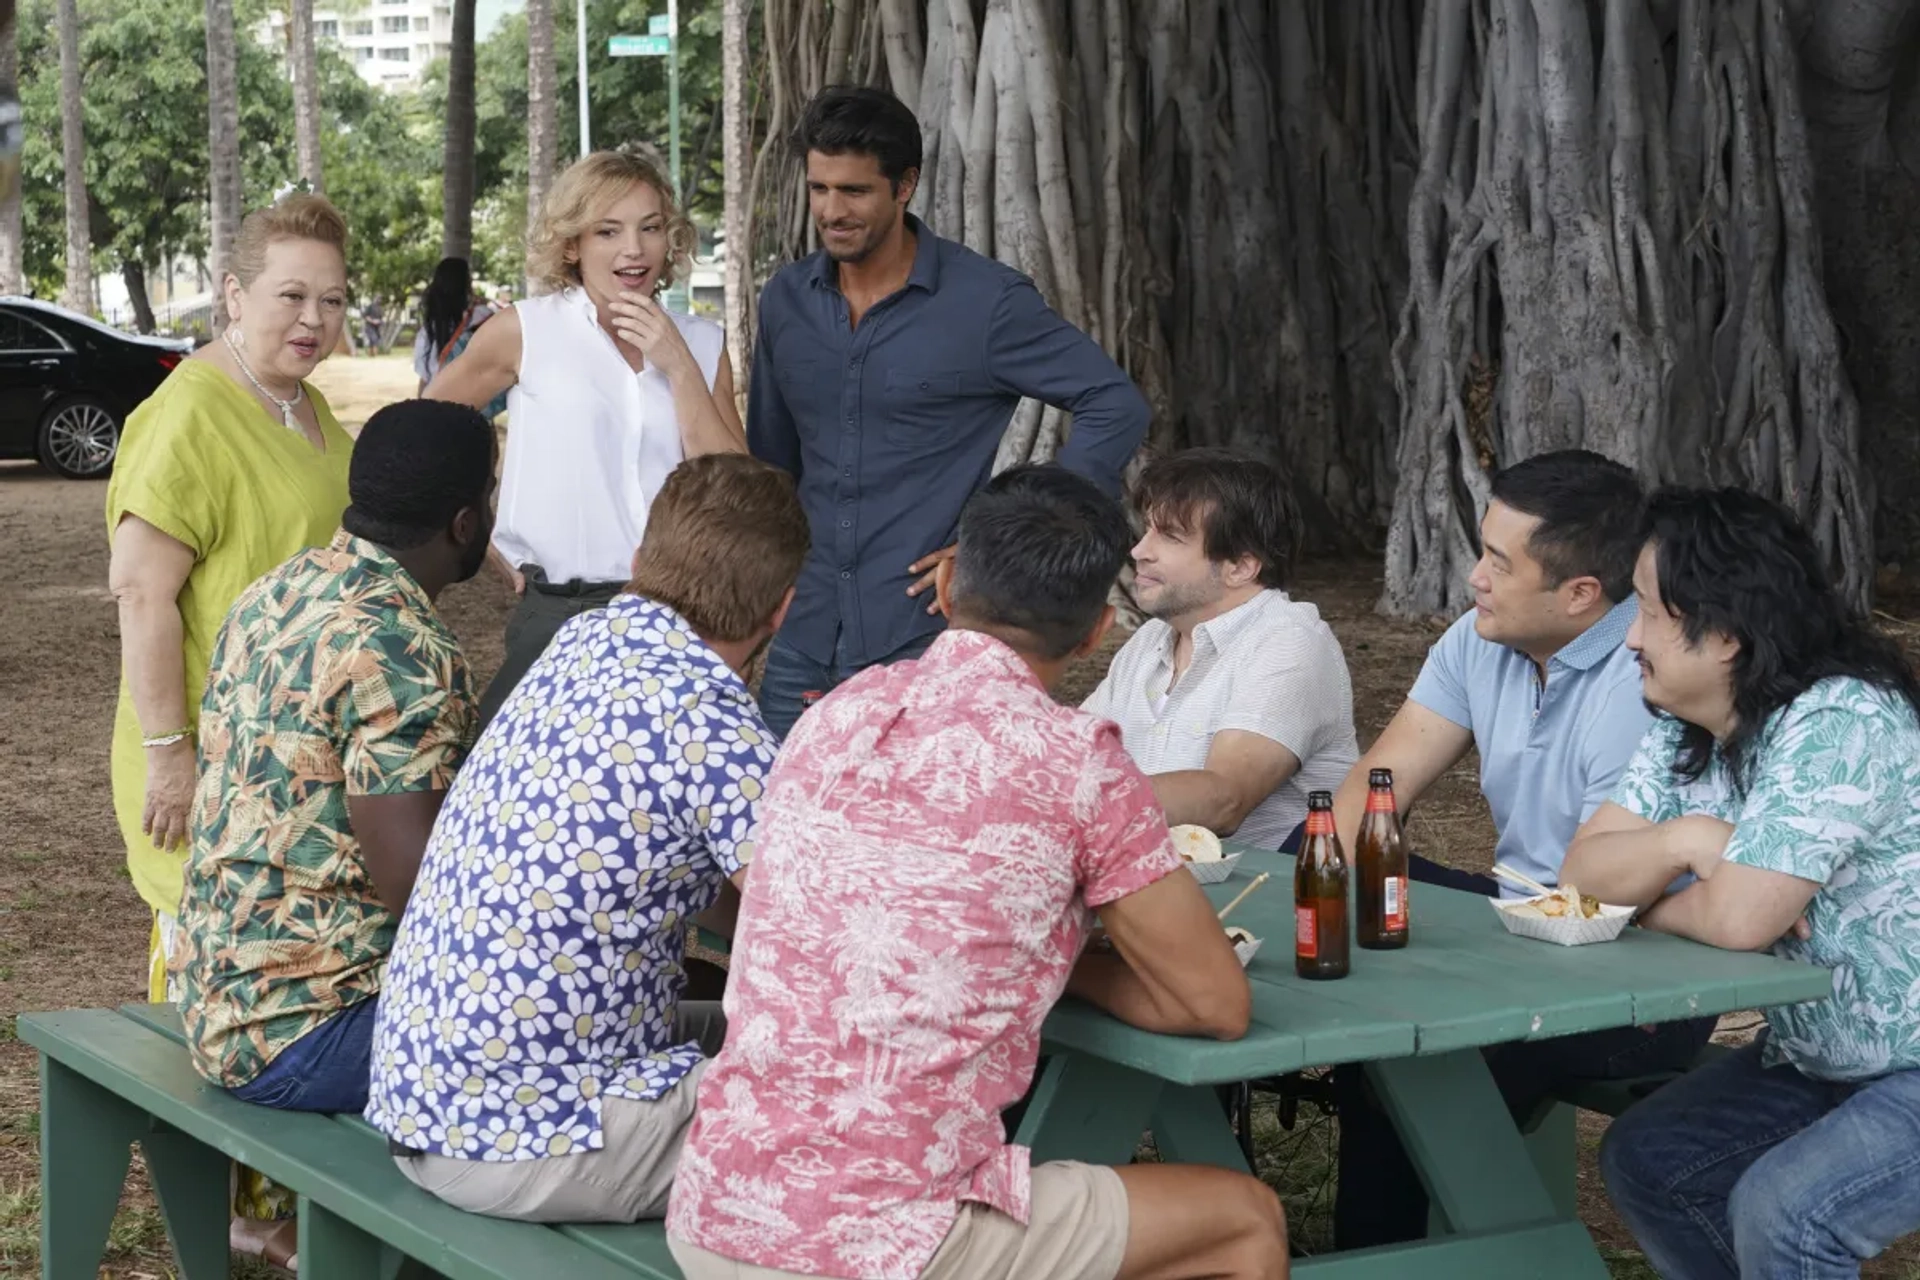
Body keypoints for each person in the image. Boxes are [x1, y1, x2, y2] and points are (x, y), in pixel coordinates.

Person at [666, 465, 1289, 1280]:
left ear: (950, 579)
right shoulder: (1080, 765)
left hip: (712, 1212)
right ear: (1098, 631)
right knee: (1247, 1221)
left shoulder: (834, 716)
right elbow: (1215, 1003)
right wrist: (1057, 965)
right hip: (884, 1246)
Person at [366, 453, 806, 1223]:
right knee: (863, 1127)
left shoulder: (575, 644)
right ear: (782, 609)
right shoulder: (712, 719)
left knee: (733, 1032)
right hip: (529, 1141)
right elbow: (826, 923)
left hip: (423, 1100)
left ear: (639, 562)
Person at [1326, 449, 1715, 1251]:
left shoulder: (1643, 678)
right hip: (1515, 920)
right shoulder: (1480, 640)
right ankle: (1378, 1250)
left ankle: (1393, 1253)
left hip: (1629, 966)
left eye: (1499, 563)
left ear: (1580, 595)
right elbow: (1373, 791)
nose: (1474, 578)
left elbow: (1609, 892)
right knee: (1333, 869)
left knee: (1419, 1050)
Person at [1548, 489, 1920, 1280]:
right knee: (1655, 1160)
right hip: (1824, 1052)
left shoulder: (1840, 720)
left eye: (1647, 611)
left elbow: (1742, 918)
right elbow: (1581, 875)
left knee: (1787, 1216)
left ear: (1723, 633)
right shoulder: (1687, 725)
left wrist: (1649, 894)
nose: (1628, 639)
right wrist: (1687, 839)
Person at [750, 85, 1151, 740]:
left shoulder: (986, 303)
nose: (831, 210)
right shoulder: (786, 302)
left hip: (927, 639)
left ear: (905, 185)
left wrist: (1017, 536)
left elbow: (1113, 401)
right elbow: (772, 465)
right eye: (819, 189)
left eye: (853, 191)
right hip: (804, 635)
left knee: (918, 835)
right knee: (777, 831)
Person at [172, 399, 493, 1117]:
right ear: (465, 523)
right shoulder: (404, 648)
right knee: (605, 1026)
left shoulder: (277, 589)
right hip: (314, 1033)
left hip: (218, 1003)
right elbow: (419, 894)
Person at [105, 192, 356, 1009]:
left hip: (288, 757)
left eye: (332, 299)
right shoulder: (188, 414)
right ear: (234, 294)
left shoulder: (304, 404)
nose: (313, 318)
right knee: (205, 988)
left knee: (277, 987)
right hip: (208, 759)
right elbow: (143, 595)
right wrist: (171, 755)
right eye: (291, 295)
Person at [426, 150, 748, 725]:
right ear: (572, 244)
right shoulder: (525, 330)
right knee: (525, 797)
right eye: (609, 231)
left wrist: (677, 366)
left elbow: (738, 496)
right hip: (559, 612)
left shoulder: (700, 341)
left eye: (650, 228)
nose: (635, 249)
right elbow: (419, 432)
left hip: (678, 613)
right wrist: (483, 535)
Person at [1083, 448, 1358, 851]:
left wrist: (1063, 802)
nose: (1140, 550)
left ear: (1240, 567)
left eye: (1170, 536)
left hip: (1272, 898)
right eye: (1146, 530)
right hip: (1157, 886)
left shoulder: (1290, 642)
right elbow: (1077, 753)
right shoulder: (1149, 641)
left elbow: (1224, 800)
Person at [412, 256, 504, 419]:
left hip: (436, 413)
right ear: (466, 286)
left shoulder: (428, 332)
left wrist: (419, 414)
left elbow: (425, 379)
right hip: (473, 415)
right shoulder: (483, 317)